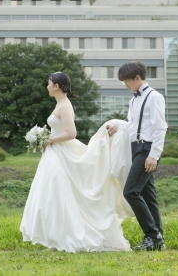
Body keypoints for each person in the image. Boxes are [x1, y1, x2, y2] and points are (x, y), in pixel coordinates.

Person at [20, 72, 132, 253]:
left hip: (61, 153)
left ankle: (68, 239)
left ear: (56, 86)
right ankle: (57, 240)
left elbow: (71, 133)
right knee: (53, 196)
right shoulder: (60, 104)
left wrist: (49, 140)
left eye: (49, 83)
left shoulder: (64, 105)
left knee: (61, 195)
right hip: (55, 154)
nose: (47, 86)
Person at [107, 61, 168, 251]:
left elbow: (160, 127)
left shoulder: (154, 97)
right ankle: (157, 240)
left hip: (148, 150)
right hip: (136, 149)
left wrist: (154, 155)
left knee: (130, 191)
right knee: (148, 196)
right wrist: (117, 127)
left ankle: (153, 235)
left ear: (137, 78)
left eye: (127, 81)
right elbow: (133, 126)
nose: (125, 84)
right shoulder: (134, 100)